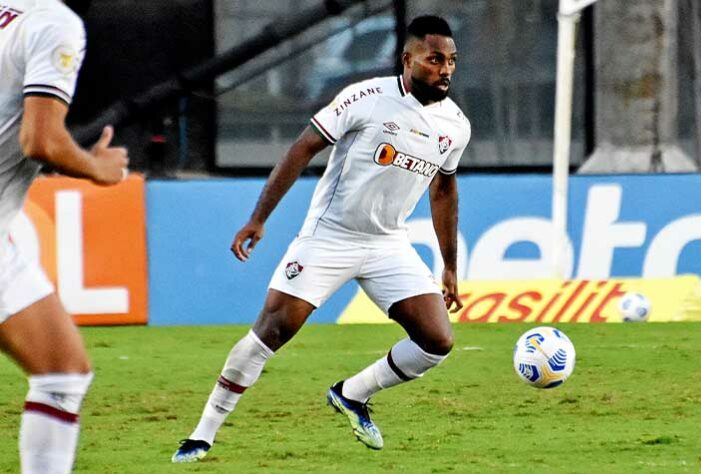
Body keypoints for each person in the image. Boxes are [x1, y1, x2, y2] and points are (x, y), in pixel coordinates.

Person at [172, 15, 469, 462]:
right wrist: (259, 218)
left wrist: (449, 264)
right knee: (273, 330)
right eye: (434, 59)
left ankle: (352, 394)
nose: (445, 69)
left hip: (388, 244)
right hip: (330, 237)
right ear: (408, 60)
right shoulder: (366, 97)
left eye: (451, 60)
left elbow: (443, 190)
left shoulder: (455, 124)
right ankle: (202, 434)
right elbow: (302, 148)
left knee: (436, 341)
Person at [0, 0, 129, 472]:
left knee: (62, 372)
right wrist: (99, 168)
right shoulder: (53, 23)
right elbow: (42, 140)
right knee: (61, 374)